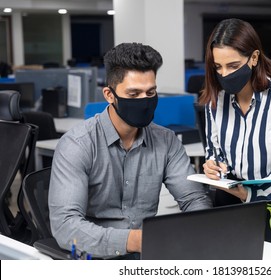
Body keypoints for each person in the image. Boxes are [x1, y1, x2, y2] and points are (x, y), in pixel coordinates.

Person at [49, 42, 212, 259]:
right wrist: (134, 240)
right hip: (96, 256)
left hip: (149, 251)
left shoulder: (166, 141)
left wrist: (196, 229)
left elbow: (194, 199)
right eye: (133, 94)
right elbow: (65, 226)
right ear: (109, 94)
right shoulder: (78, 144)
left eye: (150, 92)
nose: (144, 102)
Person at [199, 18, 271, 205]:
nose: (224, 74)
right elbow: (214, 150)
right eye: (218, 67)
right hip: (229, 192)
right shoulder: (216, 99)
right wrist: (213, 166)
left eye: (233, 66)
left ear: (254, 58)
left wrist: (250, 195)